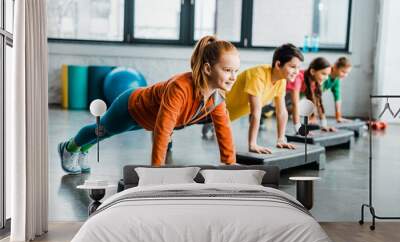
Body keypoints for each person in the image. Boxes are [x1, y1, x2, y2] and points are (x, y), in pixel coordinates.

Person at [58, 35, 240, 174]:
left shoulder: (216, 99)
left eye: (236, 71)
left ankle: (82, 151)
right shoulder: (180, 88)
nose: (233, 77)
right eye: (227, 70)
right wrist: (156, 170)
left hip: (146, 119)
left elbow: (223, 130)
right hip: (131, 107)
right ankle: (69, 148)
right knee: (102, 131)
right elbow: (163, 130)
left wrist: (230, 165)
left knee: (104, 134)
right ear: (208, 69)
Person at [222, 43, 304, 154]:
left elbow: (282, 112)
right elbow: (255, 112)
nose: (297, 72)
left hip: (225, 116)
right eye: (293, 67)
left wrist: (281, 139)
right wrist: (252, 144)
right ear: (278, 64)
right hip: (211, 109)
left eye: (298, 67)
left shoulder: (281, 81)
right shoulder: (258, 76)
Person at [286, 57, 336, 132]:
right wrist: (298, 129)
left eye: (328, 75)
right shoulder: (298, 78)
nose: (326, 78)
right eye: (323, 74)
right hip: (277, 99)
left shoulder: (315, 82)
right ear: (312, 71)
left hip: (289, 101)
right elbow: (294, 104)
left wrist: (324, 125)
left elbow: (318, 103)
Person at [322, 57, 352, 122]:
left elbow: (337, 98)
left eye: (347, 73)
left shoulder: (336, 79)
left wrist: (338, 117)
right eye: (343, 72)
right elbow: (315, 96)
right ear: (335, 67)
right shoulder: (325, 73)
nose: (345, 75)